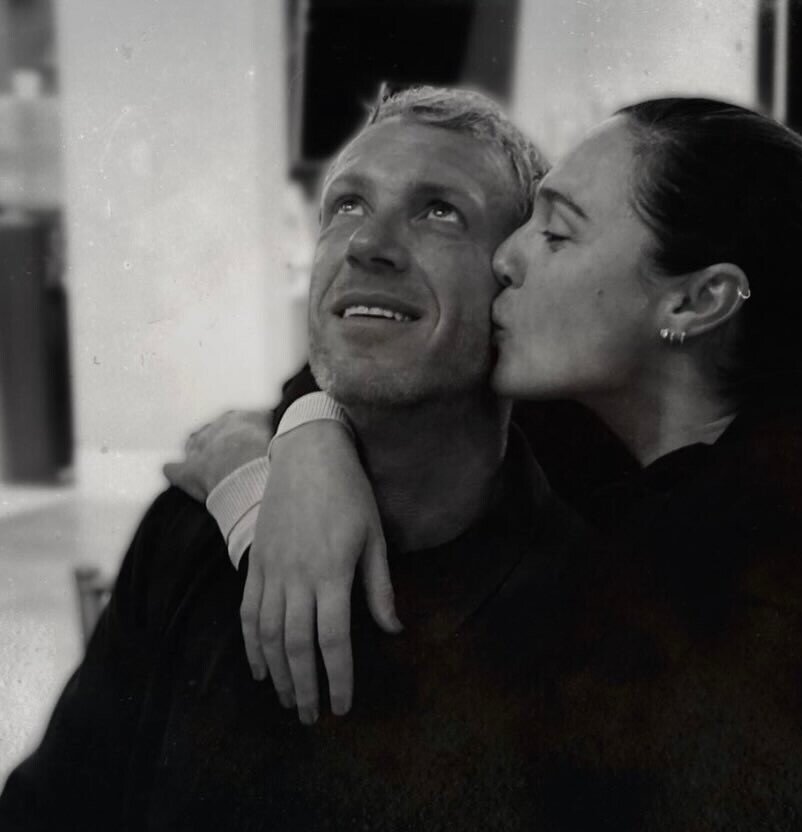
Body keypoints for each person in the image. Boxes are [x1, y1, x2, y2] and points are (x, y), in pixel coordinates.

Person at [213, 97, 802, 829]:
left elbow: (446, 775)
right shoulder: (703, 437)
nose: (506, 258)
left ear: (695, 301)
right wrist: (308, 432)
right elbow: (362, 363)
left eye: (555, 233)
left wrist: (248, 495)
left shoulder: (759, 538)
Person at [0, 87, 600, 830]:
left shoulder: (589, 606)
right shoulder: (192, 533)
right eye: (347, 204)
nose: (366, 243)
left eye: (440, 211)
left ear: (513, 287)